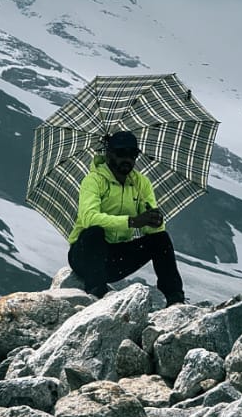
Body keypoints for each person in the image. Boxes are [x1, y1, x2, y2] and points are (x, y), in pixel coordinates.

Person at [66, 130, 186, 304]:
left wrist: (155, 222)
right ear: (109, 154)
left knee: (160, 239)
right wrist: (132, 221)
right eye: (121, 153)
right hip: (84, 257)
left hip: (115, 259)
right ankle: (95, 293)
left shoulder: (141, 183)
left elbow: (148, 229)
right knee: (94, 232)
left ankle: (175, 299)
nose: (127, 159)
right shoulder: (93, 180)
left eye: (133, 154)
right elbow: (89, 218)